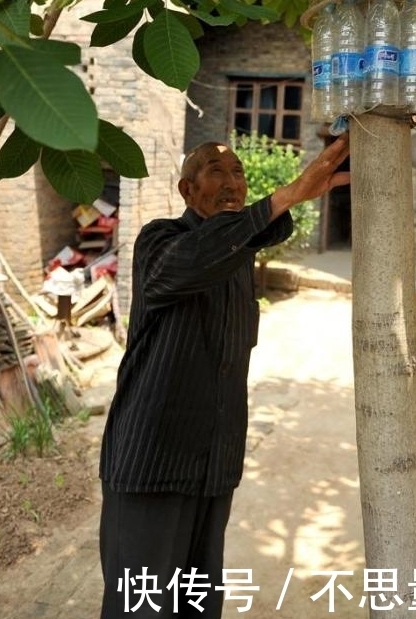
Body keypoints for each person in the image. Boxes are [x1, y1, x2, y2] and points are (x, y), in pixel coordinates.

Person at [98, 133, 350, 619]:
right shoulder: (160, 240)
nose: (233, 181)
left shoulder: (238, 256)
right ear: (187, 191)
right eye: (217, 171)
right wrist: (289, 193)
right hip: (152, 461)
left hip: (213, 464)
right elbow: (193, 260)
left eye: (238, 172)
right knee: (141, 607)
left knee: (197, 601)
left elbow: (255, 234)